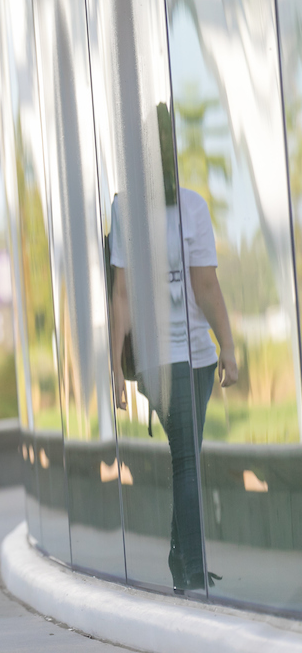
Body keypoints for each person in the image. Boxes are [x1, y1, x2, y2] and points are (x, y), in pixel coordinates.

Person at [108, 114, 237, 593]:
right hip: (160, 356)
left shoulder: (192, 207)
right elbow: (122, 293)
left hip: (199, 356)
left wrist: (226, 347)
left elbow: (206, 285)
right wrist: (115, 367)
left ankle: (181, 559)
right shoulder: (127, 211)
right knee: (186, 457)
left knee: (187, 455)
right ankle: (194, 567)